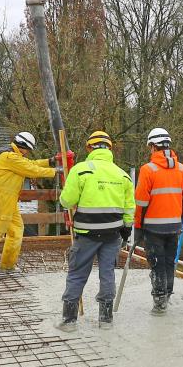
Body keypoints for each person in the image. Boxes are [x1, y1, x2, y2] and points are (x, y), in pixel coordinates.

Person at [57, 130, 135, 332]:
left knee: (77, 274)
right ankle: (106, 319)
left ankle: (69, 321)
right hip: (112, 234)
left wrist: (66, 193)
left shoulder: (81, 170)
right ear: (110, 148)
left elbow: (67, 201)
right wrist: (126, 230)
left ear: (89, 148)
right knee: (107, 274)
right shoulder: (122, 175)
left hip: (86, 234)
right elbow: (129, 208)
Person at [0, 131, 73, 280]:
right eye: (28, 150)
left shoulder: (14, 156)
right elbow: (32, 170)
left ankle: (8, 265)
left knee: (16, 231)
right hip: (2, 202)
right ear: (24, 147)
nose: (28, 153)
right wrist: (56, 171)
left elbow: (31, 164)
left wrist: (50, 161)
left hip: (9, 202)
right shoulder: (9, 157)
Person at [133, 127, 183, 315]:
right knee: (168, 262)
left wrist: (138, 226)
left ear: (153, 146)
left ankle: (159, 303)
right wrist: (177, 217)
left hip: (153, 228)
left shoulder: (148, 169)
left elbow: (141, 202)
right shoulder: (181, 169)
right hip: (174, 226)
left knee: (157, 264)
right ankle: (166, 296)